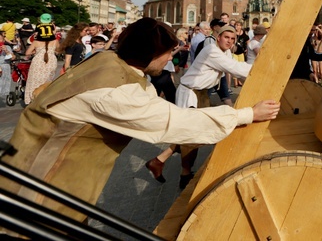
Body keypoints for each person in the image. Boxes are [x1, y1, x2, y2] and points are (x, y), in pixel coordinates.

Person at [1, 17, 279, 221]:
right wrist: (248, 114)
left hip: (55, 182)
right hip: (40, 186)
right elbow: (174, 122)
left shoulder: (106, 60)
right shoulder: (114, 91)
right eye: (169, 52)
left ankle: (163, 163)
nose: (173, 56)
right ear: (151, 53)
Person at [150, 24, 257, 188]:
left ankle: (159, 161)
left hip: (202, 93)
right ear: (218, 37)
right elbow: (236, 68)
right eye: (226, 37)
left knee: (193, 132)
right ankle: (184, 174)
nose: (229, 41)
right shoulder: (212, 51)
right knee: (191, 136)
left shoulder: (224, 52)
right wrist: (262, 66)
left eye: (232, 39)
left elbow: (232, 68)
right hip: (191, 94)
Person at [24, 14, 59, 104]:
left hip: (38, 61)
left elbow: (27, 53)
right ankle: (45, 99)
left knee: (34, 80)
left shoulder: (36, 41)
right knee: (47, 81)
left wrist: (35, 52)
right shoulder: (55, 40)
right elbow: (59, 51)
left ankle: (32, 99)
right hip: (51, 60)